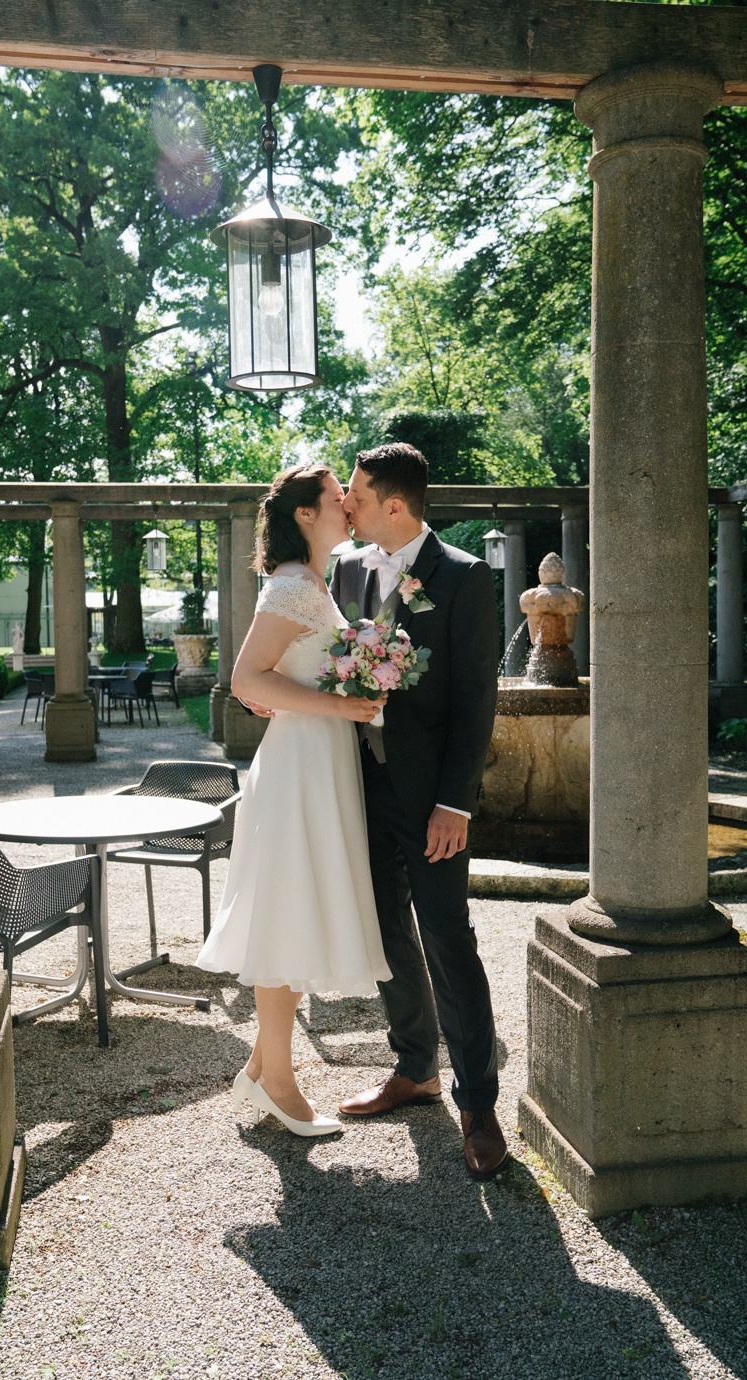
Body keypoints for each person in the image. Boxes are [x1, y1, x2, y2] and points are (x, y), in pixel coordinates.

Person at [196, 465, 391, 1137]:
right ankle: (279, 1082)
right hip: (298, 766)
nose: (348, 504)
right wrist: (339, 702)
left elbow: (279, 677)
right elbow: (248, 676)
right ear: (306, 515)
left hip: (318, 759)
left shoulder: (313, 584)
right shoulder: (290, 584)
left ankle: (258, 1071)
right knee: (285, 913)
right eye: (338, 496)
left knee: (296, 910)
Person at [331, 442, 507, 1180]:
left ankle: (479, 1106)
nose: (347, 505)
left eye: (359, 495)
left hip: (432, 796)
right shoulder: (346, 568)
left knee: (446, 937)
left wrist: (453, 805)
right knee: (380, 927)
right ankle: (414, 1068)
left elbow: (476, 702)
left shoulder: (464, 578)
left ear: (394, 506)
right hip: (358, 784)